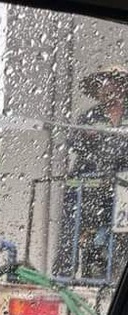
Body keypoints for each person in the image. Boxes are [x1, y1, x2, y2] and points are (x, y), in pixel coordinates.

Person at [67, 65, 128, 280]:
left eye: (113, 81)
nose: (107, 86)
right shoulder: (89, 116)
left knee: (118, 237)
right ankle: (71, 272)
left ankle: (114, 272)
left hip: (121, 191)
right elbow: (72, 142)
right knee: (77, 235)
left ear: (122, 87)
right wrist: (90, 138)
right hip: (87, 189)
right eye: (102, 82)